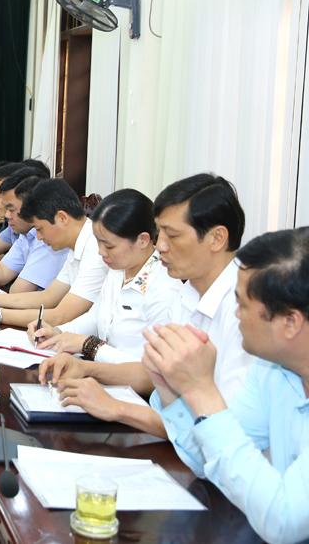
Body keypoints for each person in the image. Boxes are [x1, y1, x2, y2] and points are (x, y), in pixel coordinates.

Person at [40, 174, 252, 438]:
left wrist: (118, 408)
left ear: (217, 238)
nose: (160, 245)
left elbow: (221, 430)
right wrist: (85, 367)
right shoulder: (188, 293)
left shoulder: (246, 313)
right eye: (160, 232)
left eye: (172, 235)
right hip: (163, 431)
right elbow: (153, 373)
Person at [146, 227, 309, 544]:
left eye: (243, 305)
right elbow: (208, 462)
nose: (235, 316)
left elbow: (285, 523)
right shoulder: (272, 369)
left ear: (290, 322)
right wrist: (169, 389)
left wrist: (201, 392)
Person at [30, 189, 182, 361]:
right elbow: (96, 318)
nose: (101, 252)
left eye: (109, 246)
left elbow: (150, 371)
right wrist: (58, 333)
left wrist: (89, 345)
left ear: (143, 240)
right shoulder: (118, 270)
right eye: (98, 243)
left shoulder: (165, 289)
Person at [0, 178, 108, 327]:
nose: (38, 237)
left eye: (39, 229)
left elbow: (61, 316)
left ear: (62, 218)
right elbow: (48, 297)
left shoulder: (96, 249)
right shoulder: (76, 244)